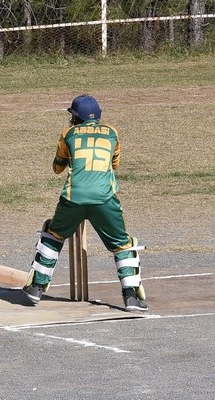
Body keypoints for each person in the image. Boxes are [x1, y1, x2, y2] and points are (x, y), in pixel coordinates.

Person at [22, 95, 147, 312]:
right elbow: (114, 165)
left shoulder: (68, 133)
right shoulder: (112, 132)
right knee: (121, 244)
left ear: (76, 117)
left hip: (74, 197)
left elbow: (57, 168)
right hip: (104, 198)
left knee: (53, 235)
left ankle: (36, 287)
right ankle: (131, 297)